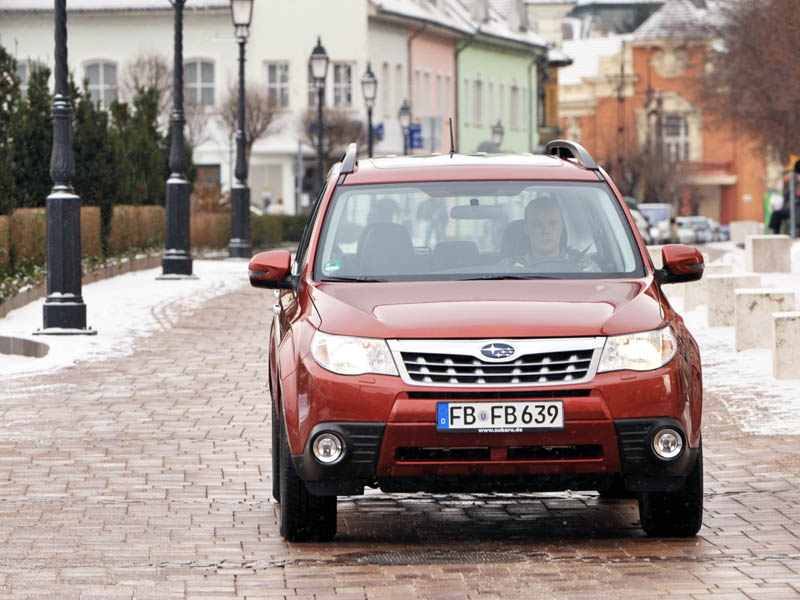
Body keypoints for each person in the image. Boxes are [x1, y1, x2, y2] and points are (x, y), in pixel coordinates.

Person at [499, 195, 599, 272]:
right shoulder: (507, 268)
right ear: (526, 229)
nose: (546, 230)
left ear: (562, 227)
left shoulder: (584, 267)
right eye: (538, 224)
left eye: (553, 224)